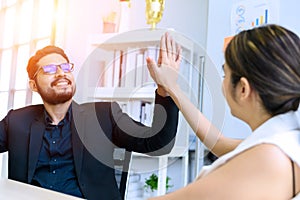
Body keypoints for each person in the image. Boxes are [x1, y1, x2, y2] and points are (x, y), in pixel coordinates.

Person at [0, 32, 181, 200]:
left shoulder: (104, 116)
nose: (61, 73)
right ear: (33, 85)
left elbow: (157, 143)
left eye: (65, 67)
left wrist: (165, 90)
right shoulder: (16, 121)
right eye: (49, 69)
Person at [146, 24, 300, 199]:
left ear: (243, 89)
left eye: (225, 74)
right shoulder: (285, 139)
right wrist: (172, 87)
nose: (223, 83)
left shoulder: (270, 158)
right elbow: (217, 142)